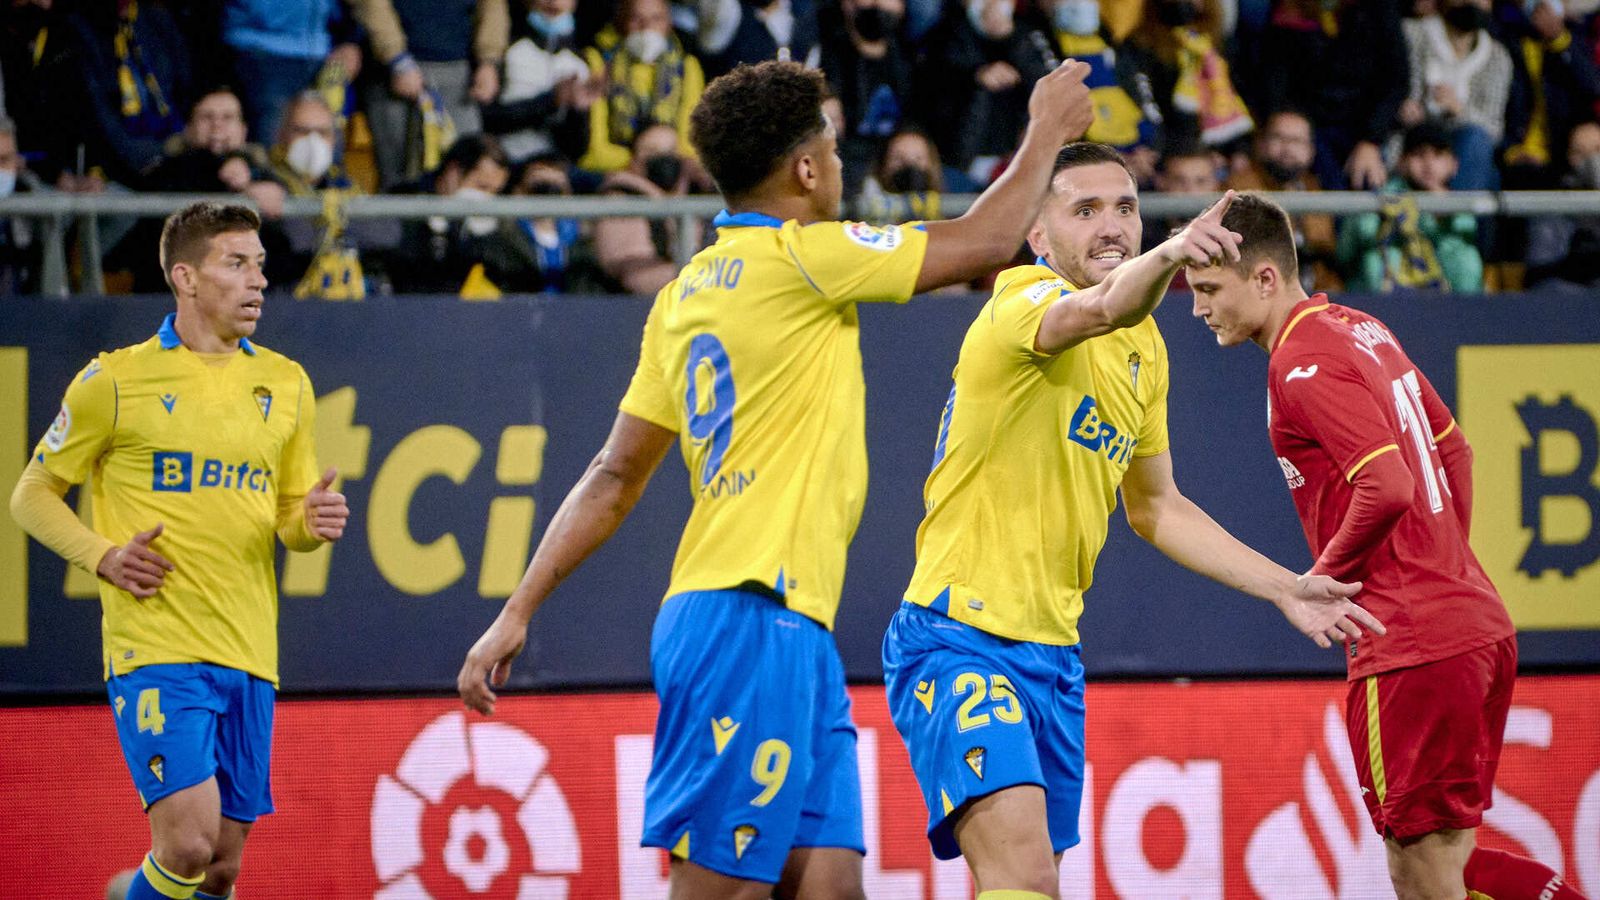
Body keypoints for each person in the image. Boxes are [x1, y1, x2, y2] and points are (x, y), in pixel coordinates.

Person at [458, 58, 1095, 900]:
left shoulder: (684, 295)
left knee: (829, 886)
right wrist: (1046, 126)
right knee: (721, 891)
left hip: (785, 628)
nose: (839, 164)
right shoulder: (806, 258)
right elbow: (983, 240)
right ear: (805, 169)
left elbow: (614, 475)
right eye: (831, 147)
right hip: (746, 618)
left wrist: (517, 609)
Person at [880, 146, 1380, 900]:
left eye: (1124, 208)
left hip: (1052, 656)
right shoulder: (1021, 300)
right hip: (958, 635)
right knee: (1019, 874)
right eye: (1085, 210)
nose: (1112, 226)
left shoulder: (1145, 348)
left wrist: (1286, 587)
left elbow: (1157, 507)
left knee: (1026, 885)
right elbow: (1101, 305)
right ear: (1039, 235)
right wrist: (1176, 251)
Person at [1185, 192, 1590, 900]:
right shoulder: (1361, 327)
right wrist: (1442, 564)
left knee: (1421, 869)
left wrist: (1322, 580)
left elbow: (1387, 484)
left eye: (1209, 289)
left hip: (1409, 644)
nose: (1198, 309)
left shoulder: (1299, 362)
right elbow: (1454, 452)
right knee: (1446, 861)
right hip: (1473, 624)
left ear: (1266, 279)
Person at [7, 202, 349, 900]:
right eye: (236, 264)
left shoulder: (286, 384)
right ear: (185, 278)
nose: (257, 281)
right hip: (156, 645)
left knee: (220, 864)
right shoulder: (115, 381)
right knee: (187, 842)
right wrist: (102, 556)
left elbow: (288, 519)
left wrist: (311, 521)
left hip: (248, 649)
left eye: (259, 264)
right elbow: (32, 494)